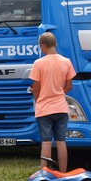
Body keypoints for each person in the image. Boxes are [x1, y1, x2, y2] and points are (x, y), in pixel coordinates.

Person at [29, 32, 76, 173]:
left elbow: (35, 87)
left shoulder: (39, 63)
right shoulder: (66, 62)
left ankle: (45, 173)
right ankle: (63, 173)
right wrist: (59, 94)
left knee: (46, 142)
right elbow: (69, 86)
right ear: (55, 44)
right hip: (61, 107)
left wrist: (39, 101)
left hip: (44, 109)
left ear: (43, 45)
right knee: (61, 143)